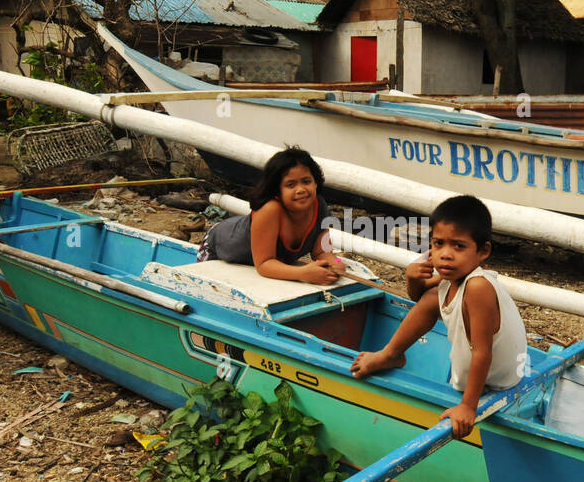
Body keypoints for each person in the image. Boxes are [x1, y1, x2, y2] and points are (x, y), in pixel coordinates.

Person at [350, 195, 527, 438]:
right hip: (495, 369)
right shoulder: (453, 276)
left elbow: (482, 351)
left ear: (483, 251)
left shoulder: (478, 286)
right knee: (433, 296)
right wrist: (412, 277)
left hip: (494, 380)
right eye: (438, 243)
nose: (445, 254)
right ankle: (391, 354)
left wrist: (468, 406)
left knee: (435, 295)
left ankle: (393, 355)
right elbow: (419, 297)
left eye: (458, 246)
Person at [198, 147, 343, 285]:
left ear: (315, 183)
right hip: (215, 247)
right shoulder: (270, 209)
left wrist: (337, 264)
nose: (301, 190)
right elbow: (264, 263)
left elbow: (322, 251)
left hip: (257, 264)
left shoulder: (319, 206)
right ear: (277, 190)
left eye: (306, 181)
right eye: (290, 185)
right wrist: (303, 273)